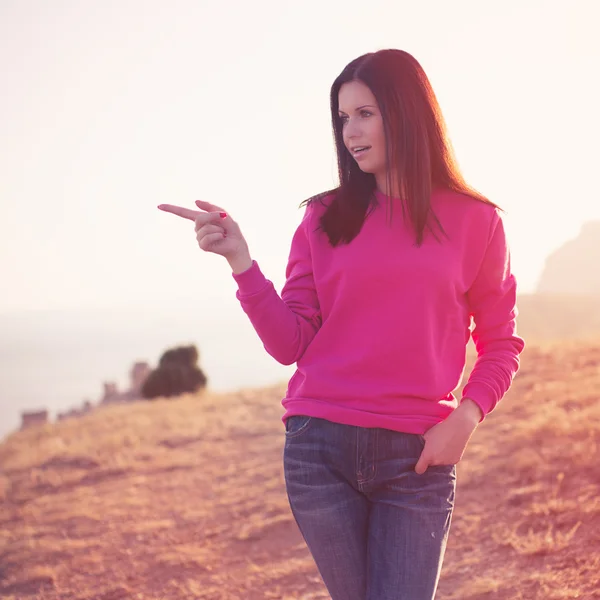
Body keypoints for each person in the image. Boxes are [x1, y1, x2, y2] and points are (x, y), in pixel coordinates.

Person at [157, 48, 525, 600]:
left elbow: (500, 344)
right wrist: (241, 262)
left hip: (416, 457)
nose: (350, 131)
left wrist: (466, 419)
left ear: (407, 112)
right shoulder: (323, 216)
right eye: (343, 117)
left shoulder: (477, 221)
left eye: (366, 113)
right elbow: (290, 344)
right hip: (318, 448)